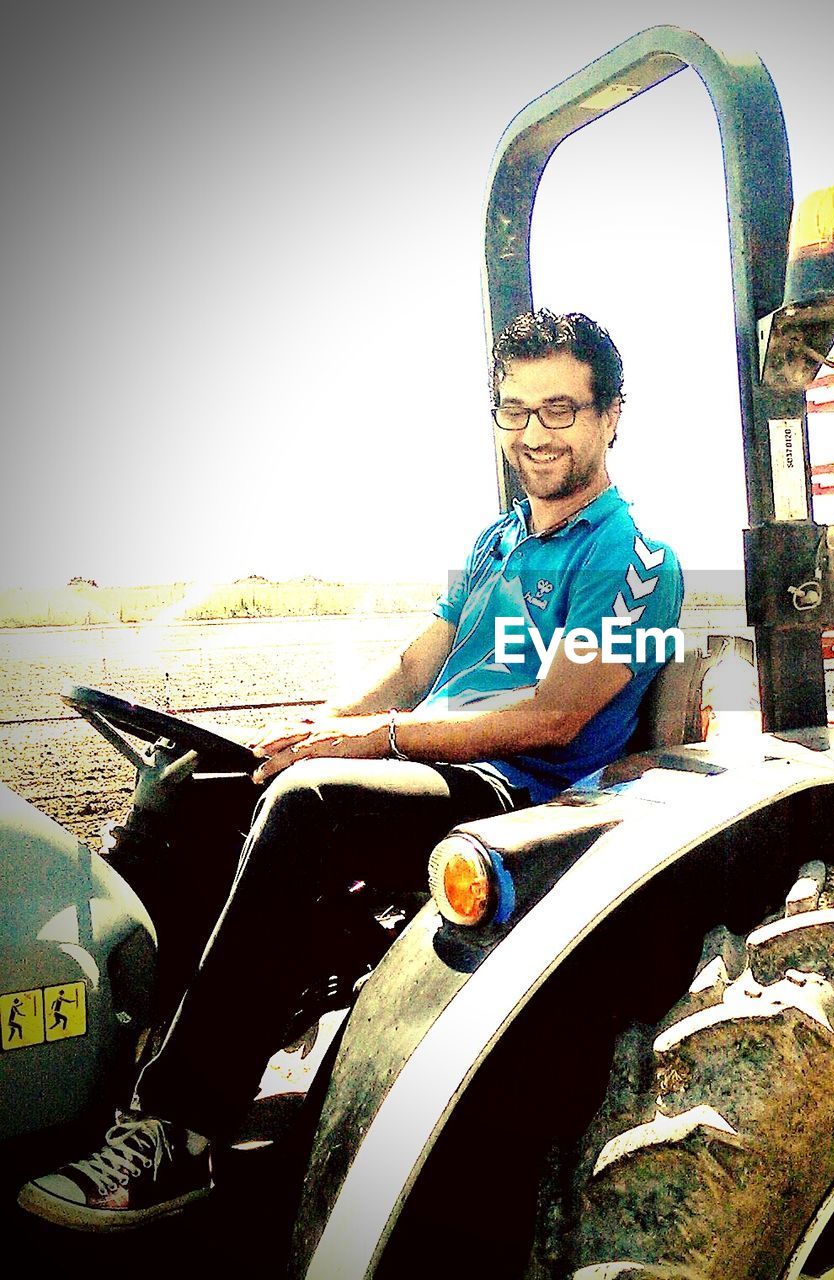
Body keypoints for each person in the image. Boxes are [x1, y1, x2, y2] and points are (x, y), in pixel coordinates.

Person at [17, 309, 683, 1230]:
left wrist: (373, 744)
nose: (533, 433)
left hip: (514, 787)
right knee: (198, 788)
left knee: (315, 803)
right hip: (426, 750)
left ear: (613, 416)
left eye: (560, 409)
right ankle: (102, 1076)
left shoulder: (631, 553)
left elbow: (554, 712)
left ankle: (182, 1129)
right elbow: (416, 667)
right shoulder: (496, 542)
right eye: (515, 410)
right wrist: (313, 729)